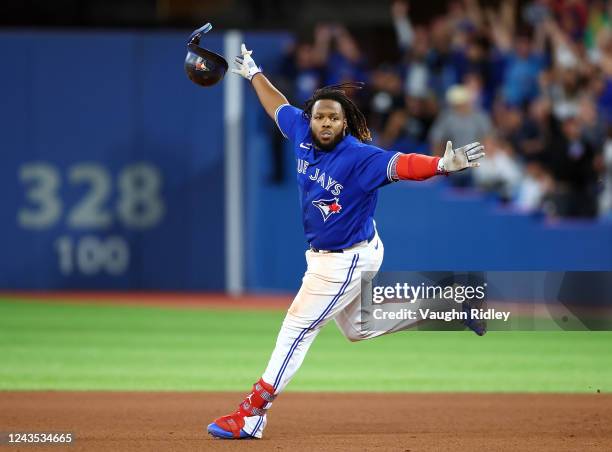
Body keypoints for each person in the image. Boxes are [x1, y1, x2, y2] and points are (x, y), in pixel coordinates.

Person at [207, 44, 486, 440]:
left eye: (333, 118)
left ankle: (251, 413)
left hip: (346, 258)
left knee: (297, 327)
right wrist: (254, 74)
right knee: (358, 327)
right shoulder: (301, 130)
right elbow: (277, 106)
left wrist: (441, 165)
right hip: (339, 254)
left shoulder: (359, 156)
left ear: (344, 123)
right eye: (319, 116)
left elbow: (403, 164)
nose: (324, 123)